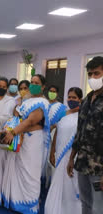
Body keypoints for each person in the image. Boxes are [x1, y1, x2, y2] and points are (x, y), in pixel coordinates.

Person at [1, 74, 50, 214]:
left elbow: (30, 121)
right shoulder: (28, 100)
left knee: (30, 173)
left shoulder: (42, 102)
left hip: (33, 140)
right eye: (32, 82)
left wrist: (13, 133)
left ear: (43, 86)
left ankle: (29, 206)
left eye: (37, 83)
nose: (33, 85)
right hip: (22, 139)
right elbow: (18, 116)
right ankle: (17, 202)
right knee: (19, 169)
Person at [67, 56, 103, 214]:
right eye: (90, 74)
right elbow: (79, 131)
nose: (92, 78)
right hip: (82, 161)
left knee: (98, 207)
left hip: (99, 166)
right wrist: (71, 157)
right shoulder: (87, 100)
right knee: (85, 204)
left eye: (96, 74)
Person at [45, 87, 83, 214]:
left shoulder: (83, 116)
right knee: (58, 181)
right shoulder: (63, 114)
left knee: (71, 185)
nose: (71, 100)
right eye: (69, 97)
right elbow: (57, 132)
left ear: (80, 100)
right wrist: (52, 152)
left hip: (73, 156)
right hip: (60, 155)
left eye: (74, 98)